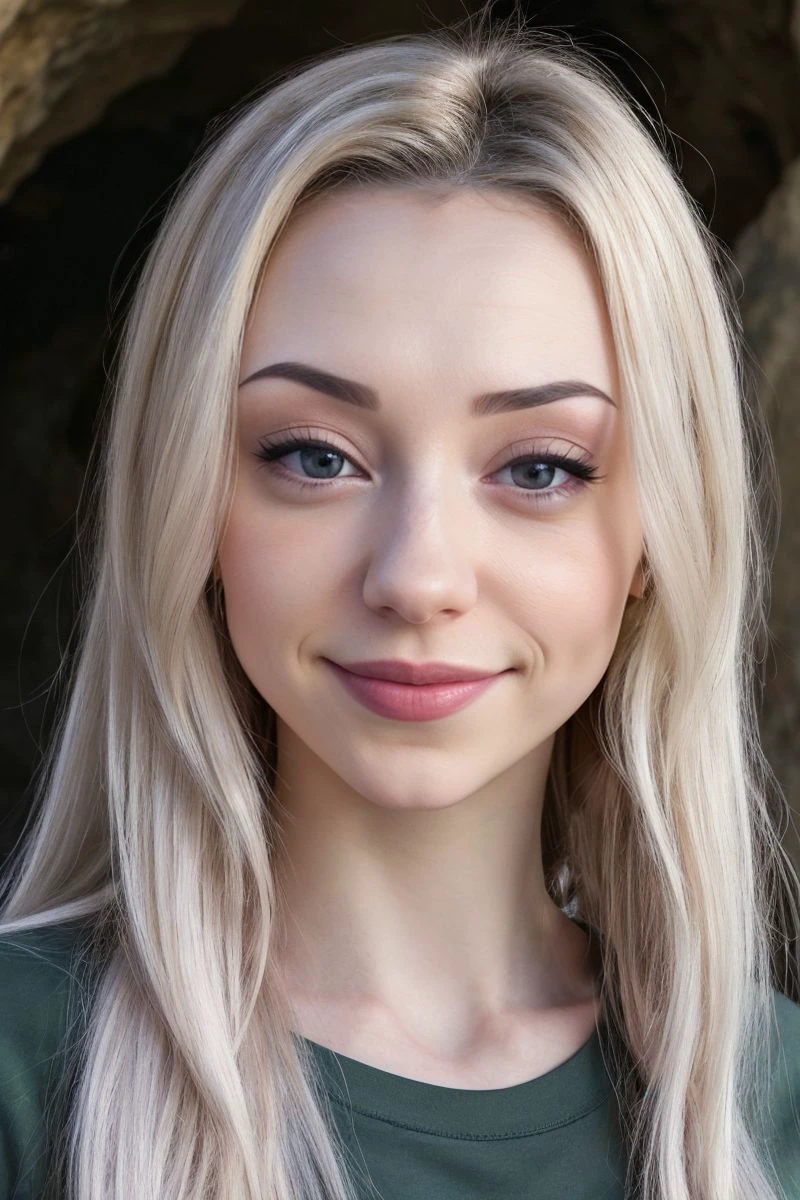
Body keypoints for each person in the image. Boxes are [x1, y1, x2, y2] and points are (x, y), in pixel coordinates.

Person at [1, 8, 799, 1200]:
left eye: (537, 468)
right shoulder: (22, 1066)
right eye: (313, 455)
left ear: (654, 535)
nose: (417, 577)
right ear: (188, 503)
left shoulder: (771, 1105)